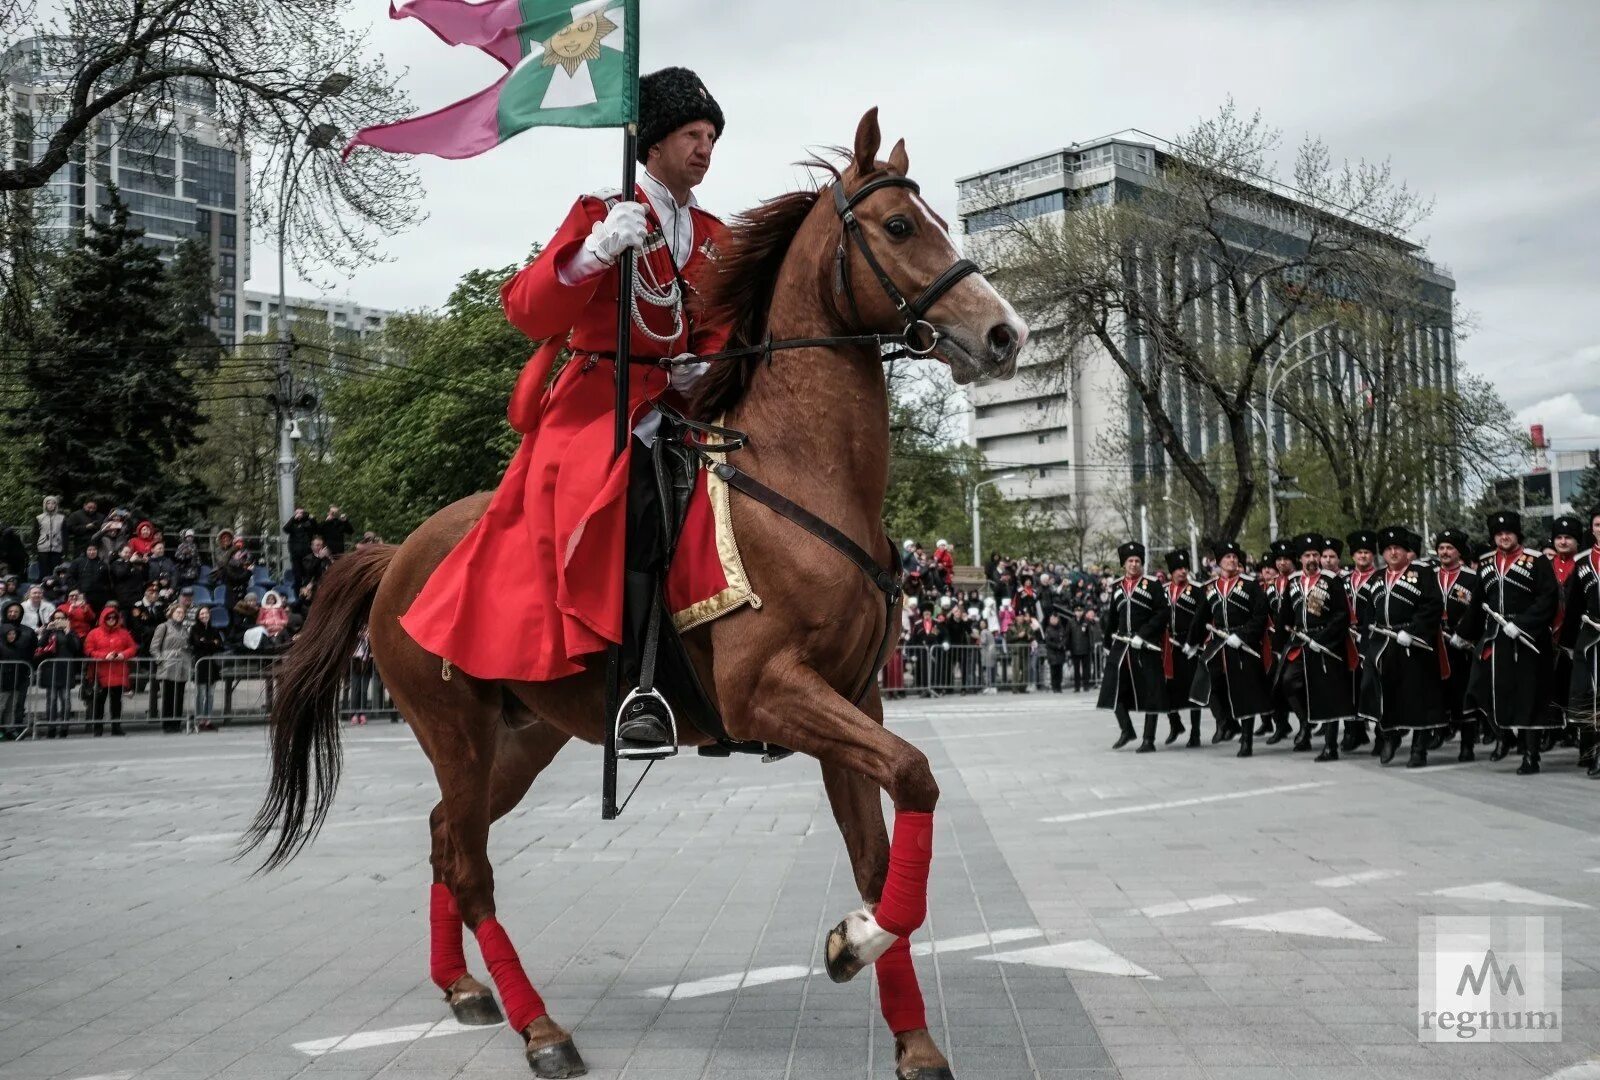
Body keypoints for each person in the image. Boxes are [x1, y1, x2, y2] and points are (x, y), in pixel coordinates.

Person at [400, 66, 729, 757]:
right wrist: (592, 253)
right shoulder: (601, 213)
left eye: (711, 137)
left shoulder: (711, 233)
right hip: (598, 403)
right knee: (639, 506)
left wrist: (709, 365)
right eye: (693, 135)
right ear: (657, 143)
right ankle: (639, 688)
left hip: (677, 403)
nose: (705, 148)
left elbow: (716, 327)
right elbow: (526, 307)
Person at [1469, 511, 1560, 775]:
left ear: (1517, 534)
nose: (1504, 537)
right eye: (1498, 534)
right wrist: (1463, 633)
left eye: (1508, 532)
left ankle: (1531, 754)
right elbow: (1478, 601)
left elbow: (1548, 598)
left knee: (1528, 695)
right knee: (1481, 685)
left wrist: (1522, 623)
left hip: (1528, 637)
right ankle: (1504, 733)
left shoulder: (1536, 560)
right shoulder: (1486, 563)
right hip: (1496, 638)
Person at [1354, 527, 1444, 767]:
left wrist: (1413, 630)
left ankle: (1418, 749)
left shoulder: (1422, 573)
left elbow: (1433, 606)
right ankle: (1390, 735)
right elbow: (1368, 616)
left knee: (1415, 697)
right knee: (1375, 690)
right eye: (1388, 549)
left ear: (1407, 552)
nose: (1393, 553)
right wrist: (1364, 650)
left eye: (1398, 549)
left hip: (1411, 643)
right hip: (1381, 643)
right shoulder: (1376, 577)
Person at [1187, 541, 1271, 756]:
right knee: (1208, 677)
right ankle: (1225, 721)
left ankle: (1247, 740)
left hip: (1243, 643)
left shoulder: (1250, 585)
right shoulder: (1211, 587)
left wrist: (1243, 635)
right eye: (1227, 557)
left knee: (1245, 691)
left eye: (1235, 557)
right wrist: (1192, 640)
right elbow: (1202, 616)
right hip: (1219, 642)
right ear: (1219, 562)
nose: (1232, 560)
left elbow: (1260, 615)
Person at [1097, 541, 1169, 751]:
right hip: (1121, 644)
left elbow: (1163, 613)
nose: (1134, 564)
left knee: (1151, 690)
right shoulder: (1117, 587)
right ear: (1124, 564)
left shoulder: (1153, 585)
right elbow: (1113, 616)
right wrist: (1107, 643)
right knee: (1111, 687)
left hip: (1144, 645)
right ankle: (1127, 729)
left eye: (1138, 561)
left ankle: (1149, 739)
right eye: (1130, 561)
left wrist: (1144, 634)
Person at [1433, 529, 1484, 761]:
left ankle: (1467, 744)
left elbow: (1476, 611)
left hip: (1462, 644)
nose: (1444, 552)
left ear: (1458, 552)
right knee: (1438, 692)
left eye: (1449, 548)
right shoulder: (1430, 576)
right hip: (1436, 644)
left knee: (1462, 694)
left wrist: (1464, 634)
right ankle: (1439, 731)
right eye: (1441, 548)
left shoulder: (1471, 577)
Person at [1561, 506, 1600, 776]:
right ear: (1592, 529)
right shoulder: (1584, 561)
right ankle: (1592, 751)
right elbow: (1574, 605)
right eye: (1598, 524)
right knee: (1588, 696)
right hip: (1589, 639)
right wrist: (1568, 641)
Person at [1340, 530, 1381, 753]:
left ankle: (1381, 734)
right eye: (1359, 553)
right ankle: (1353, 731)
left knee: (1371, 688)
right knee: (1349, 687)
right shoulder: (1344, 580)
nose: (1363, 556)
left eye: (1366, 552)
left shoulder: (1380, 577)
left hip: (1372, 640)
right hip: (1349, 642)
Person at [1546, 514, 1584, 742]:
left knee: (1574, 684)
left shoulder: (1583, 564)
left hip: (1575, 634)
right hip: (1550, 634)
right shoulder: (1546, 566)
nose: (1562, 542)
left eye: (1568, 537)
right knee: (1551, 685)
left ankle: (1575, 730)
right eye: (1558, 537)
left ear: (1577, 540)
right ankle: (1552, 730)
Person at [1162, 549, 1204, 747]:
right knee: (1167, 688)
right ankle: (1175, 723)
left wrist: (1194, 641)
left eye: (1184, 568)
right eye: (1178, 569)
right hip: (1169, 647)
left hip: (1189, 646)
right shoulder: (1162, 590)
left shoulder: (1196, 590)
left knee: (1193, 689)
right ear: (1171, 571)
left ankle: (1195, 732)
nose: (1182, 572)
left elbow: (1202, 618)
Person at [83, 604, 135, 736]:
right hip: (100, 672)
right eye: (108, 618)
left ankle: (116, 727)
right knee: (99, 702)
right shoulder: (94, 633)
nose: (111, 620)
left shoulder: (123, 633)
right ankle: (98, 728)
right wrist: (104, 656)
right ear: (103, 619)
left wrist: (123, 655)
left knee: (116, 702)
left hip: (118, 671)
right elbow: (88, 650)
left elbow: (132, 647)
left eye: (114, 617)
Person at [32, 608, 81, 738]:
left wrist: (68, 632)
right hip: (50, 670)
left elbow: (76, 648)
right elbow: (40, 646)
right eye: (56, 618)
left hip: (66, 670)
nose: (58, 620)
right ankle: (51, 727)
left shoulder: (71, 632)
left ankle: (64, 727)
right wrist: (47, 630)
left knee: (66, 700)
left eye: (61, 618)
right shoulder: (48, 632)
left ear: (66, 620)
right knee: (51, 700)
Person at [148, 605, 193, 733]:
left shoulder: (185, 629)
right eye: (178, 612)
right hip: (168, 663)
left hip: (182, 663)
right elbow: (154, 646)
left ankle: (177, 723)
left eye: (182, 613)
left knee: (179, 695)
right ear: (171, 613)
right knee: (168, 695)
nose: (180, 614)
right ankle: (167, 724)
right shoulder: (164, 627)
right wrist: (160, 660)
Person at [0, 602, 35, 738]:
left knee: (14, 706)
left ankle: (11, 729)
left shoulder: (27, 632)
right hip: (3, 679)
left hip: (19, 676)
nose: (13, 614)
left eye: (16, 611)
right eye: (10, 611)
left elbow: (33, 651)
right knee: (2, 705)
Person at [189, 605, 225, 730]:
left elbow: (220, 645)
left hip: (212, 664)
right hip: (200, 664)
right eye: (202, 614)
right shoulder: (194, 629)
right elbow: (197, 643)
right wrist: (211, 643)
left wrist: (207, 642)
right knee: (201, 693)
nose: (204, 616)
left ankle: (207, 719)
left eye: (206, 613)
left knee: (210, 694)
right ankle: (198, 719)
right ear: (198, 616)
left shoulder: (214, 629)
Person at [35, 496, 65, 579]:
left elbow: (64, 535)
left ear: (56, 505)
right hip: (43, 547)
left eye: (53, 503)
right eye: (48, 503)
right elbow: (35, 534)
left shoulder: (61, 518)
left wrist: (64, 549)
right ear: (45, 505)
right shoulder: (39, 518)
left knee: (56, 570)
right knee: (43, 571)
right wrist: (35, 549)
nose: (51, 505)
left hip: (57, 547)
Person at [284, 508, 318, 576]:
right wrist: (293, 519)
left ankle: (307, 585)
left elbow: (316, 528)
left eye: (301, 513)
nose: (299, 514)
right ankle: (298, 585)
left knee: (307, 570)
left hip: (307, 551)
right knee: (297, 572)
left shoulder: (308, 522)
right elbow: (285, 529)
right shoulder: (293, 523)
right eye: (297, 513)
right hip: (295, 552)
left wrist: (311, 518)